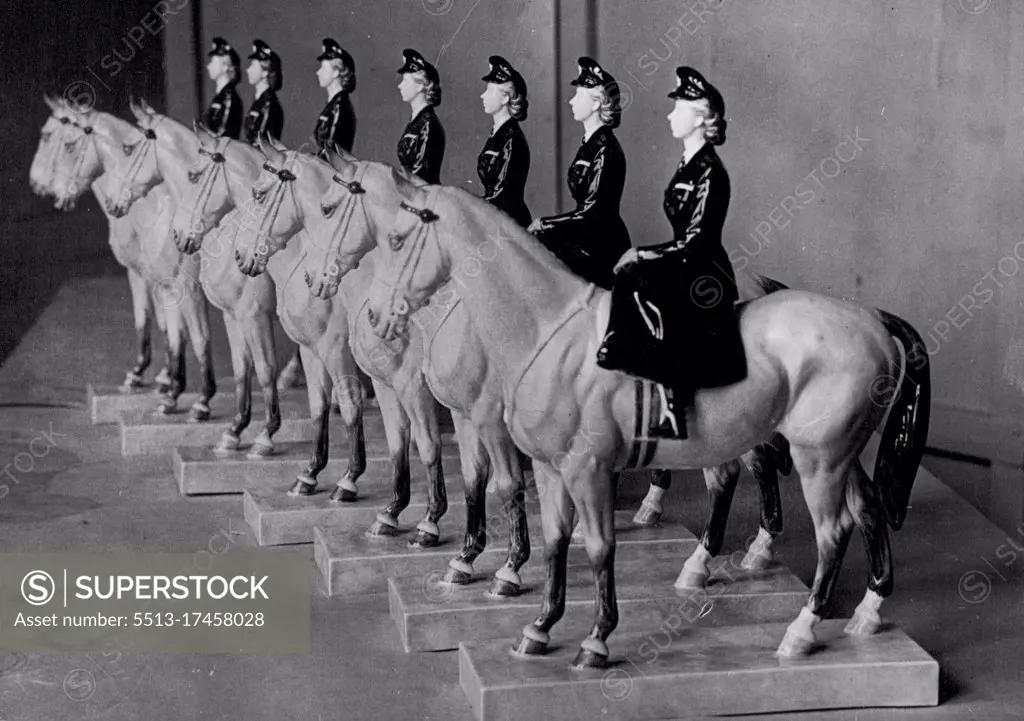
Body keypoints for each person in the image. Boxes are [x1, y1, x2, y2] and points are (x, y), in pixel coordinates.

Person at [596, 67, 745, 439]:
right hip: (684, 259)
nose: (669, 115)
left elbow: (697, 241)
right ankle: (625, 359)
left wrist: (644, 255)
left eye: (678, 108)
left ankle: (674, 407)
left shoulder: (710, 171)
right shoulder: (687, 165)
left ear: (698, 117)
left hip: (702, 268)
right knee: (630, 277)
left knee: (650, 288)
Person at [528, 56, 630, 291]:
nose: (571, 101)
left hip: (600, 244)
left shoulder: (605, 149)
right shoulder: (589, 144)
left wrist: (546, 222)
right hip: (585, 235)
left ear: (596, 104)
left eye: (578, 96)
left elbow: (592, 211)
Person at [477, 55, 531, 228]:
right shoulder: (497, 134)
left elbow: (501, 195)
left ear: (506, 98)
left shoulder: (511, 139)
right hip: (494, 218)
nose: (482, 96)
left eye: (490, 91)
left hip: (508, 226)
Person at [396, 48, 445, 184]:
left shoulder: (428, 124)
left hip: (422, 198)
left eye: (405, 81)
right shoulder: (416, 121)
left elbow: (421, 176)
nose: (400, 86)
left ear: (419, 86)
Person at [313, 38, 357, 154]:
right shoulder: (332, 105)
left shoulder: (340, 107)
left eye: (323, 68)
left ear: (336, 72)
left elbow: (331, 150)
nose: (318, 72)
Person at [244, 39, 284, 145]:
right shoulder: (259, 101)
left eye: (252, 66)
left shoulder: (268, 104)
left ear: (265, 72)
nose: (248, 70)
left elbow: (261, 143)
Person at [204, 37, 243, 139]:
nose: (208, 66)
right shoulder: (219, 97)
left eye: (213, 62)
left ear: (225, 66)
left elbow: (222, 135)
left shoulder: (228, 98)